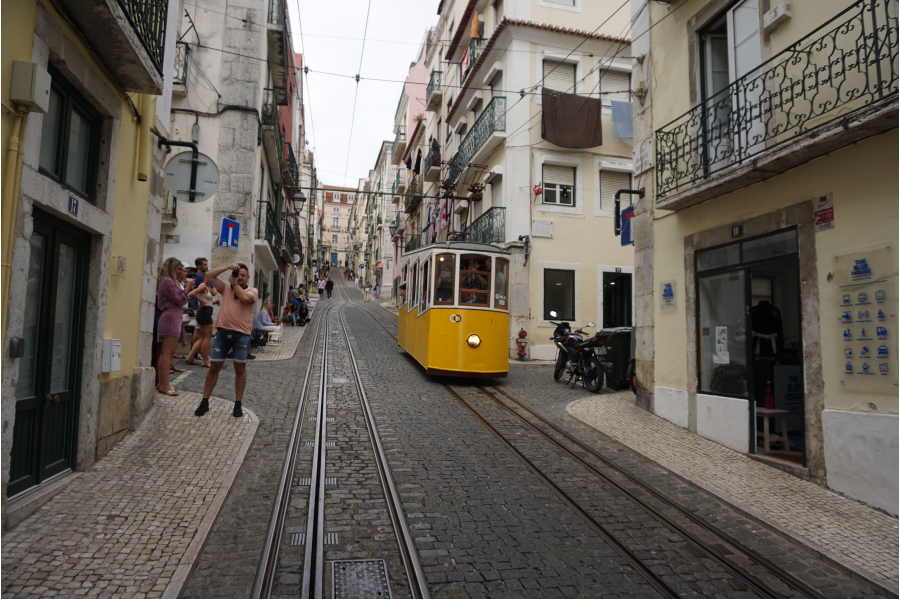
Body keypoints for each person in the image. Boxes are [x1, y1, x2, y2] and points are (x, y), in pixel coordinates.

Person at [194, 262, 258, 418]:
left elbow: (243, 298)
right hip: (222, 333)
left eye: (243, 275)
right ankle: (204, 402)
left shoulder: (252, 290)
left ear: (248, 277)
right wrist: (227, 267)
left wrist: (234, 282)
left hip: (241, 336)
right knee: (214, 367)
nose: (240, 277)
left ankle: (238, 404)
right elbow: (208, 276)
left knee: (240, 369)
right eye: (238, 274)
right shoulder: (225, 287)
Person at [156, 258, 195, 395]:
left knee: (166, 352)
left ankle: (162, 382)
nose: (180, 271)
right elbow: (180, 300)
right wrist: (188, 288)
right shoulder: (168, 281)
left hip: (171, 316)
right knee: (168, 353)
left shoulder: (166, 281)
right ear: (172, 268)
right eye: (178, 269)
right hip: (171, 317)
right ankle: (164, 385)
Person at [186, 278, 217, 367]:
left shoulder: (206, 287)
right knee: (207, 337)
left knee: (203, 338)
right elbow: (191, 293)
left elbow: (206, 300)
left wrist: (211, 302)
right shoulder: (203, 286)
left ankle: (190, 356)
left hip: (204, 311)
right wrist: (200, 301)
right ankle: (205, 360)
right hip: (205, 312)